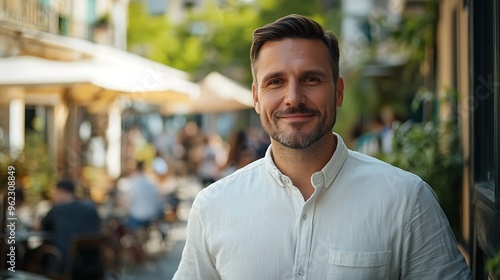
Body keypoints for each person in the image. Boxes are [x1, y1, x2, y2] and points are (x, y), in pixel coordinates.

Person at [173, 14, 472, 279]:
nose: (293, 97)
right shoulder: (213, 207)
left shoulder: (406, 200)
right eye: (275, 82)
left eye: (311, 79)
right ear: (256, 98)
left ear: (338, 92)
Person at [32, 180, 101, 275]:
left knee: (31, 256)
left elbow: (38, 227)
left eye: (55, 193)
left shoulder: (57, 210)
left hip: (62, 265)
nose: (54, 196)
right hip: (91, 266)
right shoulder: (90, 210)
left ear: (62, 192)